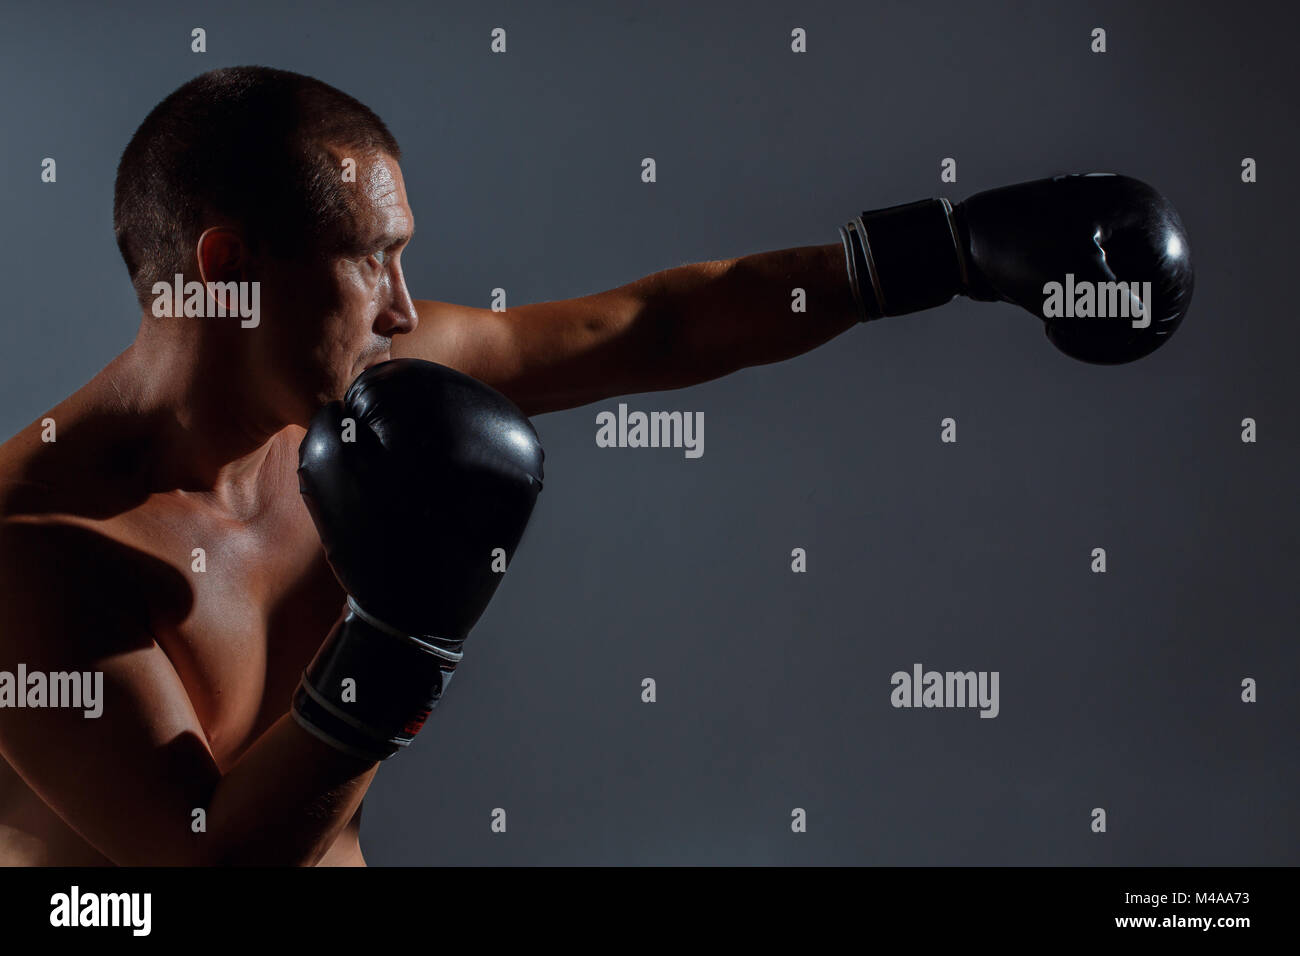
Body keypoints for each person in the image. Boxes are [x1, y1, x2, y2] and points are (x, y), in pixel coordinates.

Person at [0, 66, 1192, 866]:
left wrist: (942, 251)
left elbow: (649, 327)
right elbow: (200, 862)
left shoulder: (348, 387)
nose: (408, 311)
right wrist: (401, 640)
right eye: (374, 262)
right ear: (228, 263)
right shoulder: (34, 557)